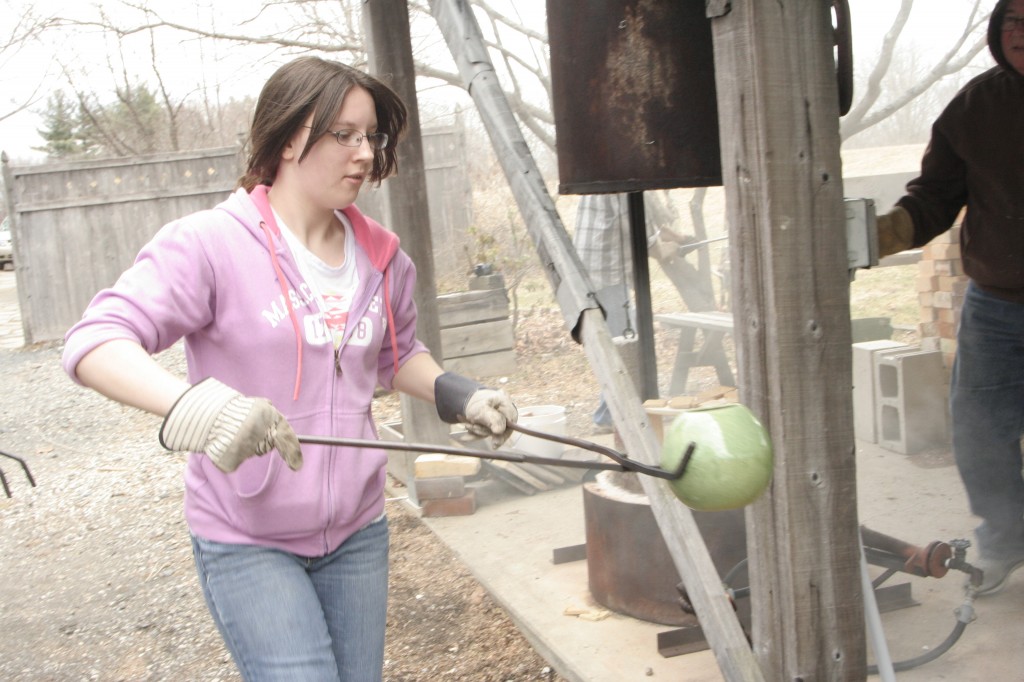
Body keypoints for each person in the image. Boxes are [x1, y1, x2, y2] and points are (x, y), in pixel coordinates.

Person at [61, 56, 518, 681]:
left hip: (358, 532)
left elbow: (396, 355)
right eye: (344, 134)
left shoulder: (385, 260)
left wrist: (458, 392)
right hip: (247, 537)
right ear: (287, 135)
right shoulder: (209, 245)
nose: (364, 154)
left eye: (371, 136)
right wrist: (191, 405)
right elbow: (96, 341)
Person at [876, 0, 1024, 596]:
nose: (1021, 33)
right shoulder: (974, 107)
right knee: (979, 429)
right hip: (995, 304)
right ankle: (1005, 542)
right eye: (1012, 19)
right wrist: (888, 232)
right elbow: (936, 194)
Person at [573, 193, 694, 431]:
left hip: (593, 271)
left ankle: (609, 413)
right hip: (605, 274)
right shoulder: (620, 184)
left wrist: (680, 238)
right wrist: (667, 249)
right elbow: (644, 238)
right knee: (626, 347)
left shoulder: (607, 170)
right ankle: (609, 417)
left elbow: (646, 226)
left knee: (621, 343)